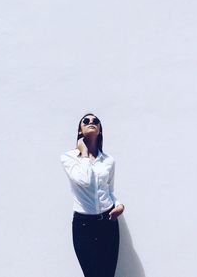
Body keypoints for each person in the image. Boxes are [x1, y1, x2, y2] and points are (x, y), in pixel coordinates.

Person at [60, 113, 125, 277]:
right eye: (86, 121)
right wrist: (84, 154)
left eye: (96, 121)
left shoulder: (109, 161)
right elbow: (84, 180)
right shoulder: (69, 158)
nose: (91, 122)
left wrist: (119, 205)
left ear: (100, 130)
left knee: (108, 274)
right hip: (84, 226)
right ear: (80, 131)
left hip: (108, 223)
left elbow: (109, 191)